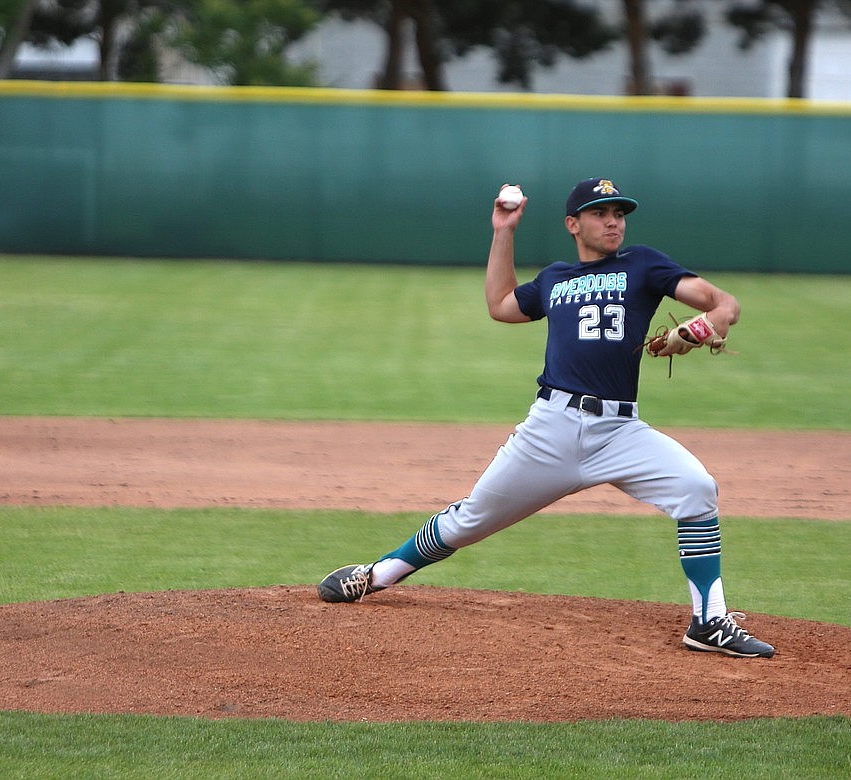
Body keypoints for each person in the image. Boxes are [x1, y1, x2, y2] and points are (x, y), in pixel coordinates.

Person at [318, 176, 775, 659]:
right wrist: (503, 230)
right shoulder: (555, 278)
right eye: (601, 213)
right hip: (551, 429)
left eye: (618, 213)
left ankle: (708, 621)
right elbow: (500, 306)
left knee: (696, 488)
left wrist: (710, 322)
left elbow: (726, 303)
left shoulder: (643, 264)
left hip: (620, 432)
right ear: (573, 224)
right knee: (470, 520)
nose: (613, 221)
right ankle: (378, 574)